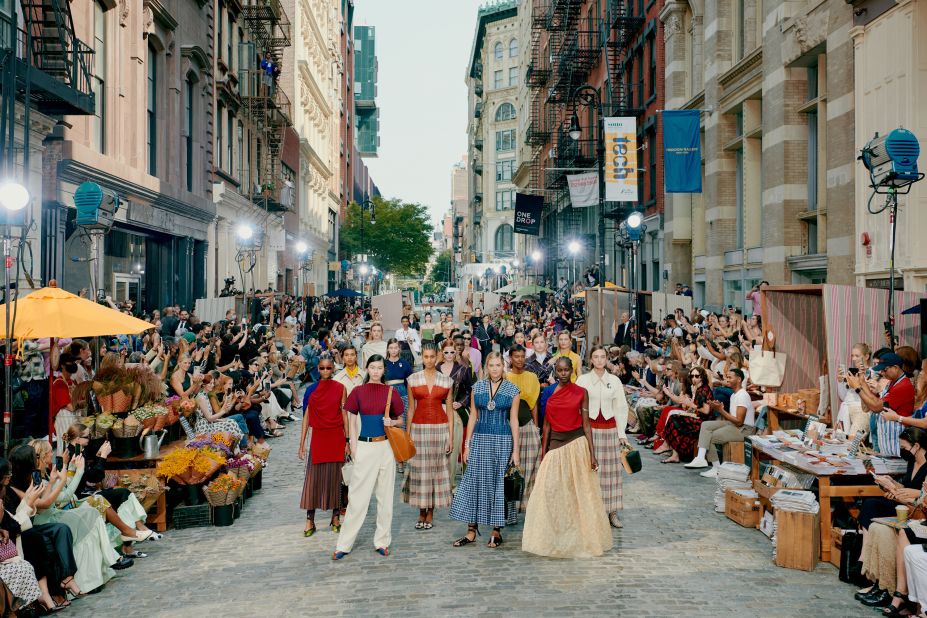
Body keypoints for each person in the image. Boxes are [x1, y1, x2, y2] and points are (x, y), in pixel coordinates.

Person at [522, 357, 612, 558]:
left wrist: (592, 454)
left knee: (578, 492)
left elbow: (587, 424)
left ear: (572, 370)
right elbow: (546, 425)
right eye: (559, 370)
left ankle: (580, 536)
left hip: (577, 443)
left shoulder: (581, 392)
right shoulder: (547, 392)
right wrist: (544, 454)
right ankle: (555, 536)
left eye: (566, 370)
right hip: (555, 443)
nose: (563, 373)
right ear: (555, 371)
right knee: (550, 491)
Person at [333, 355, 404, 560]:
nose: (375, 371)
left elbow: (400, 419)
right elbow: (352, 419)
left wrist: (392, 423)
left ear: (384, 370)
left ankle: (382, 541)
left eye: (379, 368)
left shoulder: (391, 392)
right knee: (357, 497)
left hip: (386, 448)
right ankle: (344, 544)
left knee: (385, 496)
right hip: (364, 446)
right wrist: (353, 445)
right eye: (372, 367)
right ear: (367, 368)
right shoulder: (358, 392)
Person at [449, 352, 520, 549]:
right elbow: (473, 416)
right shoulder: (477, 387)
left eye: (498, 365)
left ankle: (496, 531)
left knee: (498, 483)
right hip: (480, 439)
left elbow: (513, 420)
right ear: (486, 367)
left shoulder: (513, 389)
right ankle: (471, 531)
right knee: (474, 481)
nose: (495, 369)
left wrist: (516, 451)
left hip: (503, 440)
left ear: (503, 366)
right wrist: (467, 445)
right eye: (491, 365)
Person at [576, 345, 630, 528]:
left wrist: (621, 433)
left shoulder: (614, 381)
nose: (599, 360)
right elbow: (577, 407)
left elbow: (621, 407)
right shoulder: (583, 380)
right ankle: (590, 511)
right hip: (589, 431)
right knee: (590, 471)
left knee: (611, 472)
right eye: (596, 357)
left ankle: (612, 511)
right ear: (590, 360)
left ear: (607, 359)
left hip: (609, 430)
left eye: (602, 357)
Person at [402, 343, 454, 530]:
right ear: (421, 357)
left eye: (432, 356)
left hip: (440, 429)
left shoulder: (446, 381)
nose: (429, 360)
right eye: (426, 357)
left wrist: (450, 437)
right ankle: (421, 511)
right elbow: (410, 410)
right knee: (419, 471)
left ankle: (430, 511)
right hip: (418, 429)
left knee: (435, 470)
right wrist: (407, 435)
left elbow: (449, 409)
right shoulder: (413, 380)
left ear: (437, 356)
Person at [298, 357, 347, 537]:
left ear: (333, 369)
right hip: (318, 438)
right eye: (322, 368)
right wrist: (302, 444)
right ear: (318, 369)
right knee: (313, 479)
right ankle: (309, 519)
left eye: (328, 368)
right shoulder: (311, 389)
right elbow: (306, 418)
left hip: (336, 437)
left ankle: (335, 516)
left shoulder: (341, 388)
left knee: (335, 478)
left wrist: (348, 440)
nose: (325, 371)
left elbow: (345, 415)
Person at [684, 369, 756, 477]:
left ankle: (717, 469)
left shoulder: (742, 395)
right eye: (727, 377)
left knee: (711, 437)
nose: (727, 380)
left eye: (730, 377)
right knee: (706, 425)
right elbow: (733, 419)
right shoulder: (734, 395)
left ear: (739, 379)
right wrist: (718, 407)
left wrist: (721, 410)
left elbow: (739, 422)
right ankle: (700, 457)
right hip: (734, 424)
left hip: (744, 430)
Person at [849, 352, 916, 457]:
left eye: (885, 370)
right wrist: (862, 382)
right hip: (887, 445)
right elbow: (873, 400)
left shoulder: (903, 386)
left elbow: (876, 407)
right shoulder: (892, 382)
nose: (882, 373)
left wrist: (857, 388)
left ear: (895, 367)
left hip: (897, 445)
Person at [506, 345, 541, 515]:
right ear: (510, 358)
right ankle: (510, 507)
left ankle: (527, 505)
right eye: (516, 356)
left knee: (530, 466)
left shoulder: (532, 377)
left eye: (522, 356)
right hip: (509, 428)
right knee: (510, 467)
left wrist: (536, 426)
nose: (519, 359)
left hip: (528, 426)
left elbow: (534, 404)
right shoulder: (505, 377)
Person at [438, 339, 473, 487]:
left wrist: (461, 403)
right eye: (446, 352)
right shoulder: (436, 369)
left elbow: (470, 390)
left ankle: (450, 483)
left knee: (453, 448)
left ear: (456, 352)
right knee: (439, 447)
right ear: (442, 352)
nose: (449, 355)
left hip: (456, 412)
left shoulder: (463, 369)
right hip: (438, 411)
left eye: (452, 352)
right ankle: (438, 482)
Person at [384, 339, 413, 430]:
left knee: (403, 422)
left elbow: (410, 383)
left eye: (395, 348)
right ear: (388, 349)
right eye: (391, 348)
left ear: (399, 349)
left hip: (403, 397)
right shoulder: (383, 364)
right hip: (387, 397)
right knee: (388, 422)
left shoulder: (405, 364)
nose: (393, 350)